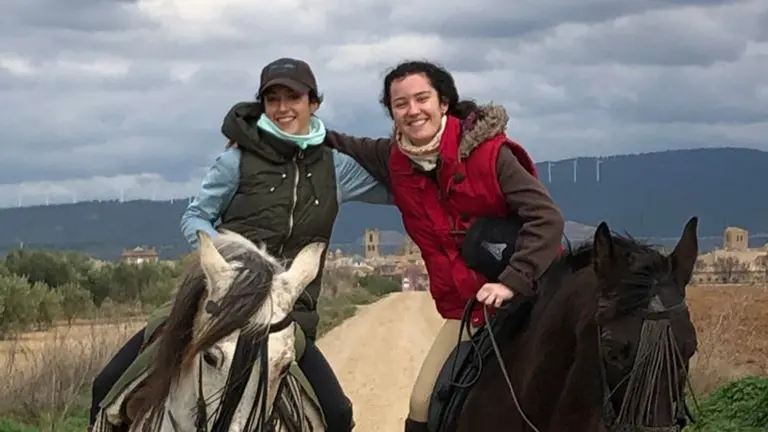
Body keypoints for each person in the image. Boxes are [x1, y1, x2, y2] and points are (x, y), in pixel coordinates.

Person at [89, 57, 393, 432]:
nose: (283, 108)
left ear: (313, 103)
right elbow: (196, 216)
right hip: (217, 303)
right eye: (273, 98)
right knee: (107, 389)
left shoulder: (336, 168)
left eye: (293, 97)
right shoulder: (237, 160)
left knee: (338, 415)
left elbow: (401, 190)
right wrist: (228, 265)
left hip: (286, 314)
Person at [324, 60, 565, 432]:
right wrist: (263, 127)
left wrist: (512, 281)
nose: (413, 110)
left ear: (444, 103)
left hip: (536, 298)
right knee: (423, 405)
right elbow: (336, 141)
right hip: (471, 311)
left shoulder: (491, 155)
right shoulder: (395, 160)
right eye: (400, 103)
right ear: (392, 112)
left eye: (422, 98)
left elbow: (546, 219)